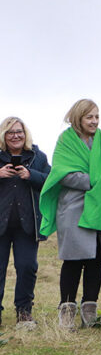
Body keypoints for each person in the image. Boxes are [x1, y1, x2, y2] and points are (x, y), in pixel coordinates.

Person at [39, 100, 101, 330]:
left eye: (97, 116)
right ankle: (66, 311)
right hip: (74, 209)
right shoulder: (66, 140)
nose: (94, 121)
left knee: (96, 261)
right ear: (78, 117)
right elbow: (62, 173)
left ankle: (90, 312)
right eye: (89, 117)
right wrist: (97, 181)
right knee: (73, 261)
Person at [0, 117, 50, 327]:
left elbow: (50, 182)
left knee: (27, 267)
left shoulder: (38, 157)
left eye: (19, 131)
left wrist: (31, 175)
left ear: (25, 133)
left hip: (27, 225)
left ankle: (24, 312)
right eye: (10, 132)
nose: (15, 136)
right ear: (4, 135)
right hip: (1, 226)